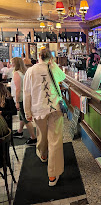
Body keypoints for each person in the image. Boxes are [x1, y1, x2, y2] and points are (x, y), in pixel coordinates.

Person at [23, 47, 66, 187]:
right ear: (50, 57)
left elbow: (26, 94)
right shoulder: (52, 68)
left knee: (41, 133)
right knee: (55, 140)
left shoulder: (30, 71)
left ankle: (43, 154)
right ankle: (53, 174)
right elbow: (63, 77)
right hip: (55, 108)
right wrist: (53, 64)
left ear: (38, 57)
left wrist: (27, 112)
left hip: (38, 110)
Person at [11, 57, 37, 145]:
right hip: (24, 97)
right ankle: (20, 131)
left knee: (26, 119)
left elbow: (18, 89)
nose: (11, 64)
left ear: (16, 64)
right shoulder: (23, 72)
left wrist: (17, 102)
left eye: (12, 63)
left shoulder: (16, 74)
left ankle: (33, 138)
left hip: (21, 99)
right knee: (22, 116)